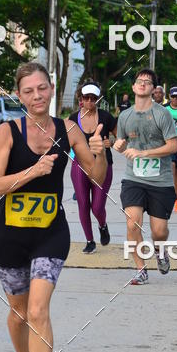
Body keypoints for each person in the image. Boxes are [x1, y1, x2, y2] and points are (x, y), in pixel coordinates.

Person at [0, 61, 107, 352]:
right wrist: (33, 171)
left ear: (52, 89)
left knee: (38, 311)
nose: (36, 95)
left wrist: (99, 151)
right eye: (28, 91)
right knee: (19, 313)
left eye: (42, 88)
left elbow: (96, 177)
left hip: (50, 233)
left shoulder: (68, 129)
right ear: (19, 95)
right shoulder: (8, 131)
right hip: (9, 235)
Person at [114, 69, 177, 285]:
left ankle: (160, 250)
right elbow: (122, 144)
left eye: (147, 82)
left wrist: (144, 153)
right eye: (139, 81)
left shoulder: (162, 114)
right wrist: (118, 146)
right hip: (134, 179)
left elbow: (173, 145)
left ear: (153, 89)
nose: (142, 84)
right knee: (133, 225)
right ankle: (140, 269)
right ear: (133, 87)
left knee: (159, 232)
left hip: (161, 181)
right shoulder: (124, 116)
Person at [68, 81, 117, 253]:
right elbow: (64, 144)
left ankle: (102, 225)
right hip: (79, 166)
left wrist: (110, 142)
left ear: (97, 99)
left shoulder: (105, 117)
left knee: (97, 206)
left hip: (102, 165)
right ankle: (89, 240)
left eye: (93, 98)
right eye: (86, 98)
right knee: (83, 204)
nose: (89, 101)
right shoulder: (73, 119)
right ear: (80, 99)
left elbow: (119, 139)